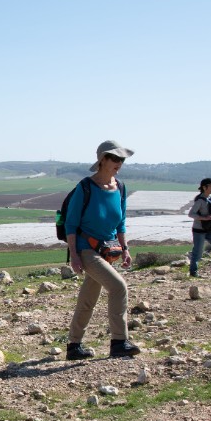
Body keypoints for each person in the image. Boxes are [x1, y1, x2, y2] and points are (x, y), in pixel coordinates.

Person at [64, 140, 141, 360]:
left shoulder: (120, 187)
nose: (119, 163)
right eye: (115, 158)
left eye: (122, 159)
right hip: (86, 249)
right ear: (102, 160)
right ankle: (119, 341)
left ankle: (73, 347)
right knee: (118, 287)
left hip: (107, 250)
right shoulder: (86, 187)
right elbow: (71, 224)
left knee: (88, 298)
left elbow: (121, 222)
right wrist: (75, 256)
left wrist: (125, 248)